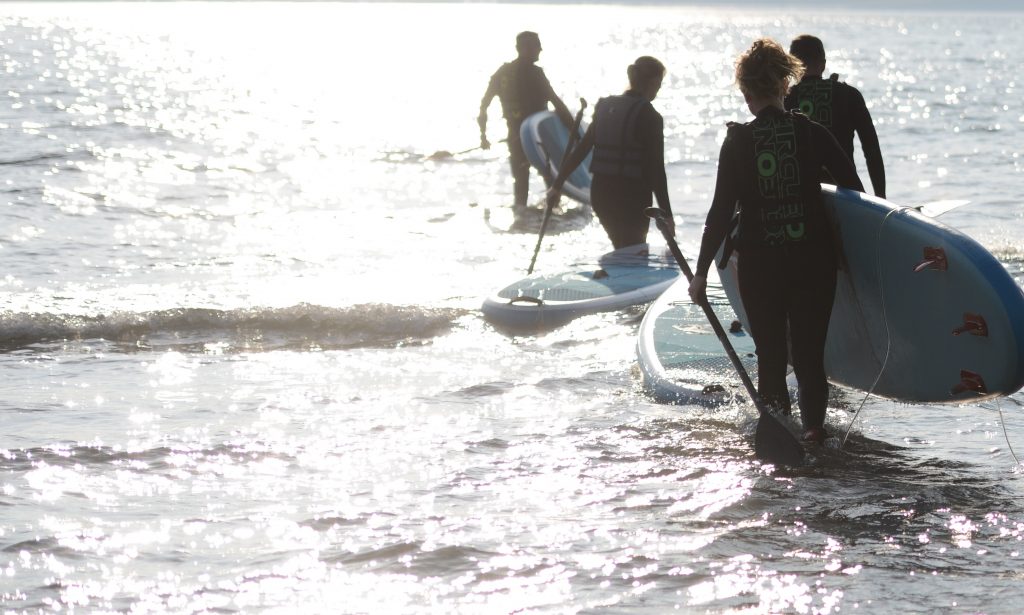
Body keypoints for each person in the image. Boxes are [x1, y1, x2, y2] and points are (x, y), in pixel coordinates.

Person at [689, 39, 865, 444]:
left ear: (746, 94)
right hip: (812, 261)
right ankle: (815, 432)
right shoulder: (813, 132)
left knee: (771, 357)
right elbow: (854, 192)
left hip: (760, 264)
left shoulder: (737, 142)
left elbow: (719, 213)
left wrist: (700, 274)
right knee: (809, 358)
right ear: (786, 86)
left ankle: (779, 435)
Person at [547, 56, 673, 249]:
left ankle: (612, 275)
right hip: (632, 196)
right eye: (659, 83)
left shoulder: (605, 106)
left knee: (621, 247)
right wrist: (667, 215)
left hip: (602, 194)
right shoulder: (651, 116)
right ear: (653, 82)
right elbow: (656, 169)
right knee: (633, 250)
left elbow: (582, 149)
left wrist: (556, 185)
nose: (659, 88)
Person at [478, 31, 574, 208]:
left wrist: (483, 136)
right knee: (552, 181)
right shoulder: (535, 73)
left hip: (515, 137)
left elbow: (484, 105)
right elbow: (556, 102)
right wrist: (575, 130)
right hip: (538, 138)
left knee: (520, 184)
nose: (540, 49)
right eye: (537, 45)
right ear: (522, 48)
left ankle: (520, 219)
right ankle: (551, 217)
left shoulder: (501, 73)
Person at [785, 34, 886, 198]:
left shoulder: (786, 99)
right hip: (845, 192)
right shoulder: (849, 95)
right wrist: (881, 200)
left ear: (792, 67)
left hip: (803, 196)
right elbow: (872, 150)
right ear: (823, 64)